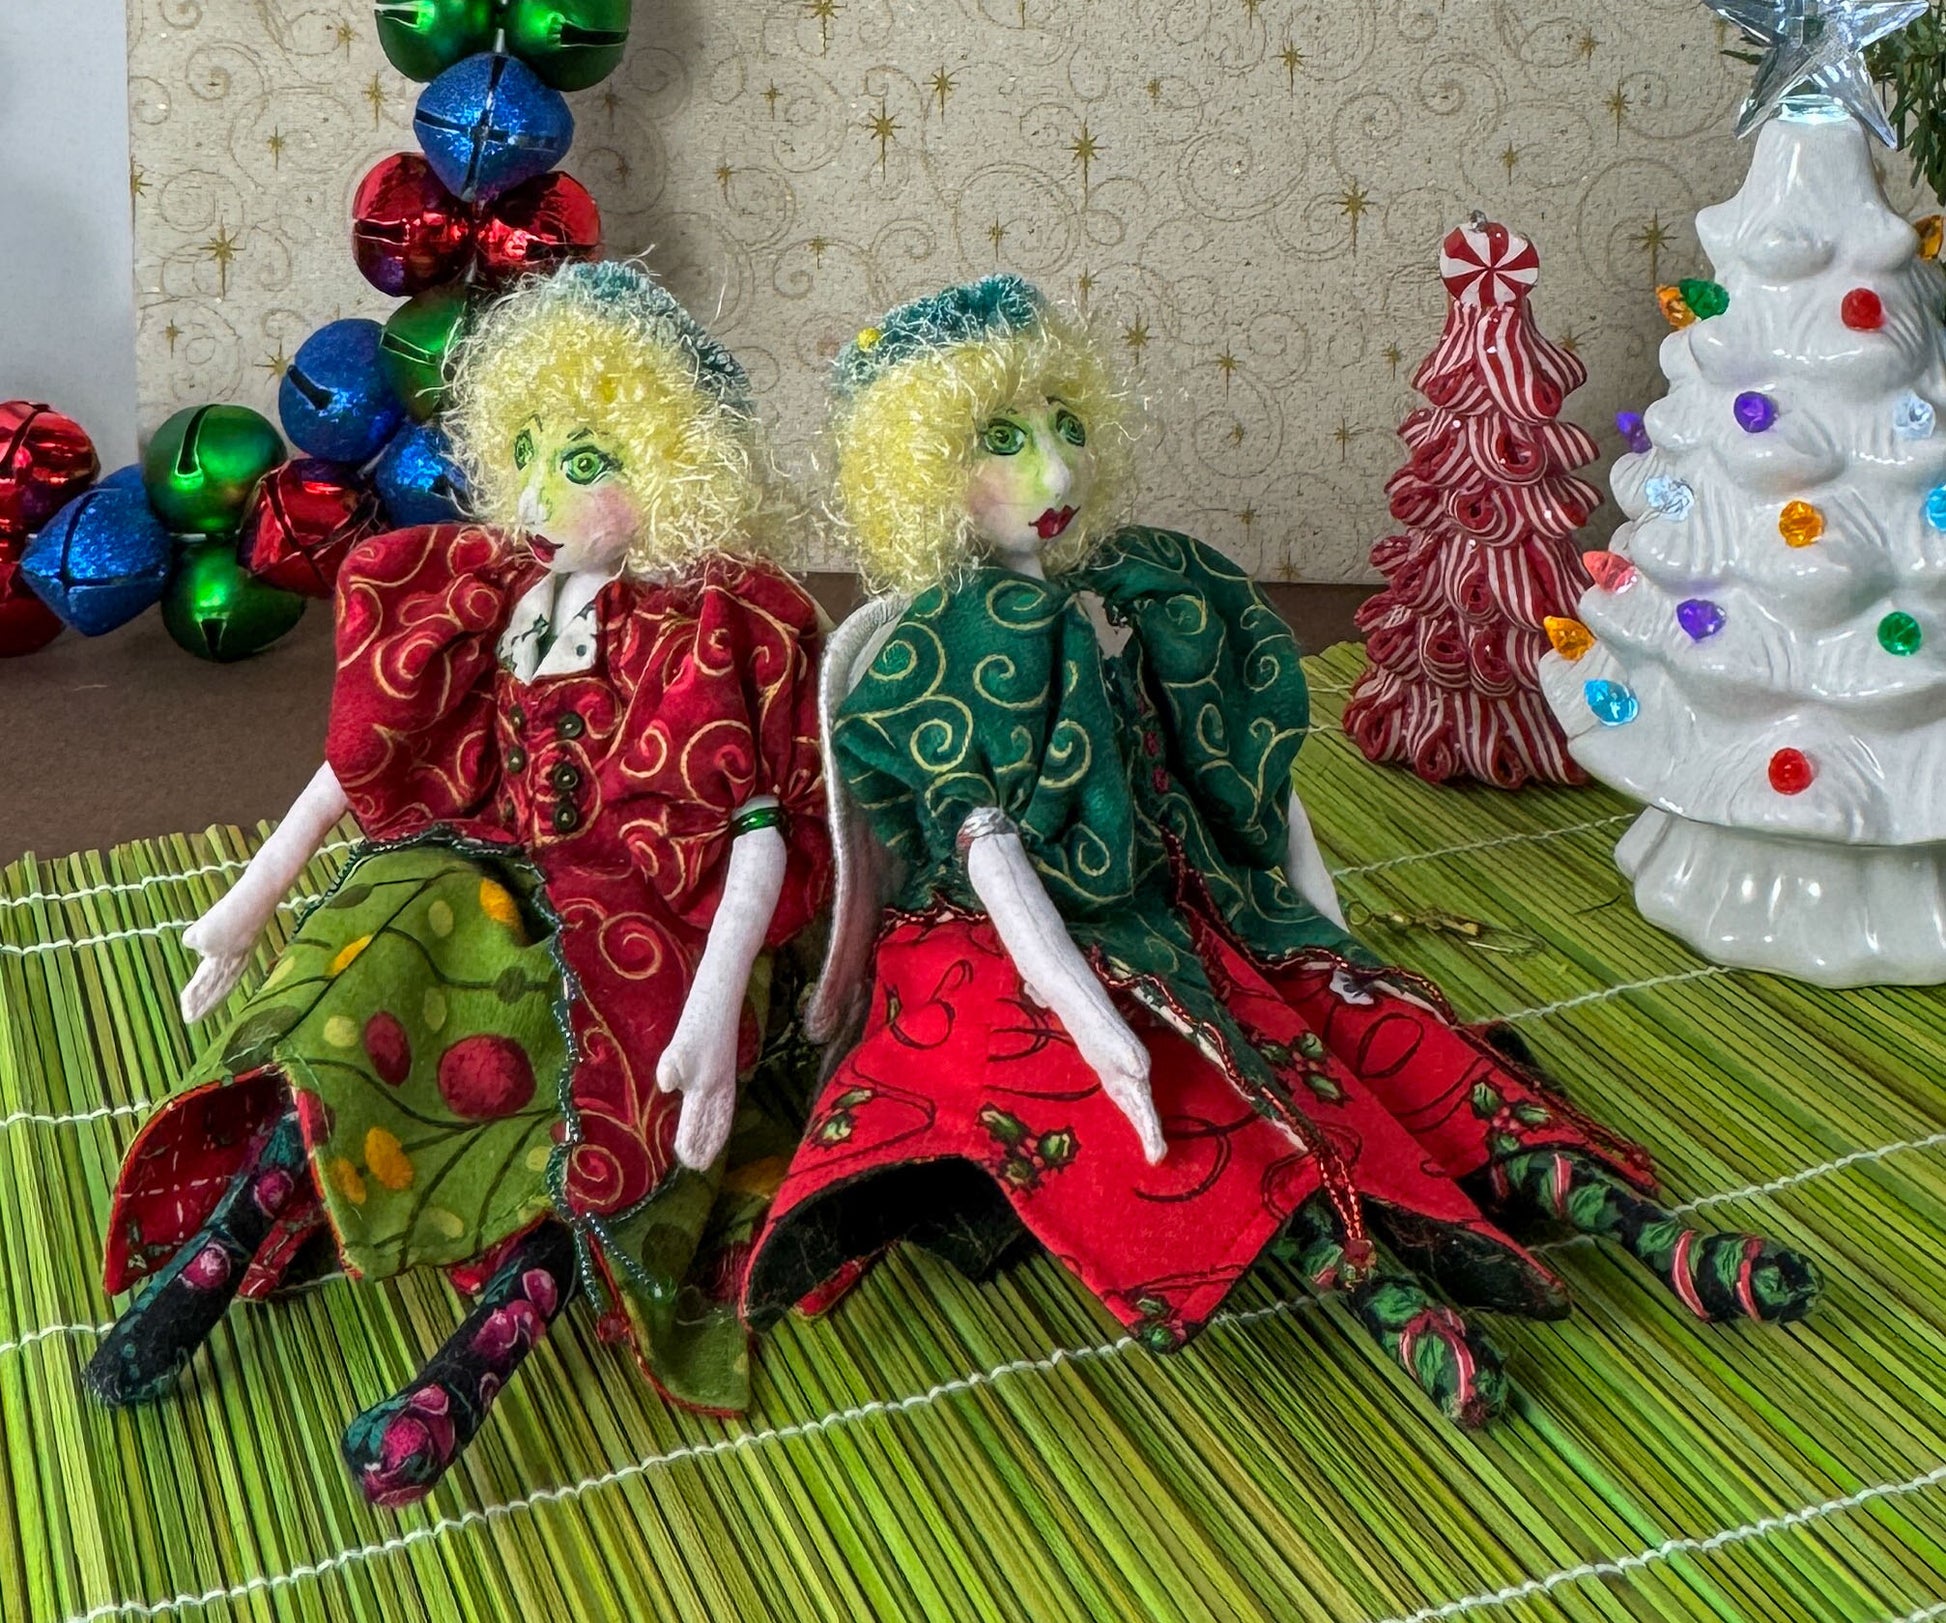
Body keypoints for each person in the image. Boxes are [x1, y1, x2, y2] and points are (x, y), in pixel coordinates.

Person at [741, 275, 1819, 1425]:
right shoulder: (924, 650)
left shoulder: (1135, 589)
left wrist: (1324, 933)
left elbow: (1250, 778)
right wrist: (1094, 1020)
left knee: (1369, 1033)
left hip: (1184, 890)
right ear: (916, 469)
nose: (1054, 473)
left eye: (1063, 426)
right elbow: (981, 844)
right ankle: (1378, 1289)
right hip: (1009, 941)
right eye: (1001, 442)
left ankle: (1630, 1221)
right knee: (1179, 1090)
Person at [88, 260, 831, 1505]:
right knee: (384, 939)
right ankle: (229, 1237)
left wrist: (712, 1017)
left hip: (651, 904)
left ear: (674, 466)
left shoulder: (710, 633)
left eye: (583, 460)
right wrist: (252, 900)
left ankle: (491, 1339)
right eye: (524, 451)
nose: (538, 494)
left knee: (609, 1092)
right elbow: (361, 758)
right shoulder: (493, 595)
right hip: (483, 863)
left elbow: (753, 833)